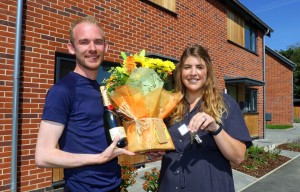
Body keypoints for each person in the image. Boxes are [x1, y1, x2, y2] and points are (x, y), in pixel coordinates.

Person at [35, 16, 135, 192]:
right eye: (84, 42)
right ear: (71, 48)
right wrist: (98, 158)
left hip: (114, 185)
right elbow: (43, 156)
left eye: (98, 42)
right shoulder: (62, 91)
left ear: (106, 47)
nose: (92, 48)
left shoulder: (102, 90)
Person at [158, 44, 252, 192]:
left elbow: (239, 157)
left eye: (199, 67)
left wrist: (215, 128)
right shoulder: (170, 104)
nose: (193, 73)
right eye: (187, 67)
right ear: (180, 71)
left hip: (210, 185)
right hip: (169, 185)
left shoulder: (225, 104)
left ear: (207, 71)